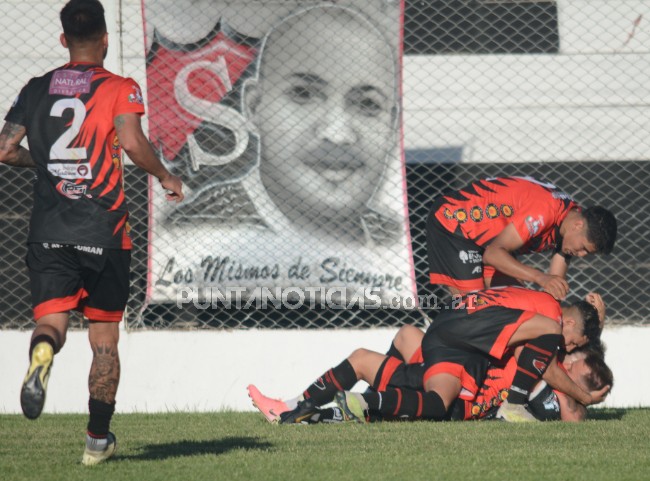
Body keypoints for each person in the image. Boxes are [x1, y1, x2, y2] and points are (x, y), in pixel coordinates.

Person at [0, 0, 184, 466]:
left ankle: (42, 351)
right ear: (105, 39)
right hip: (102, 230)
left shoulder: (36, 88)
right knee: (104, 342)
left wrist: (44, 162)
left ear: (64, 40)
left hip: (48, 231)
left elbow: (4, 150)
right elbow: (133, 142)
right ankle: (97, 441)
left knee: (51, 322)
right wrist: (164, 176)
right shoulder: (120, 88)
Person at [167, 4, 402, 246]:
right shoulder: (199, 230)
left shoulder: (392, 237)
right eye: (303, 93)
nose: (337, 134)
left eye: (367, 104)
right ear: (255, 107)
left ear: (392, 126)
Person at [249, 287, 606, 423]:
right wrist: (584, 396)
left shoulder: (537, 309)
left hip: (451, 324)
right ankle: (370, 405)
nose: (568, 347)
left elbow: (555, 364)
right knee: (440, 403)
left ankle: (291, 407)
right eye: (574, 340)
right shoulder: (550, 321)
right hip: (467, 340)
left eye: (573, 347)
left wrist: (594, 325)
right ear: (570, 319)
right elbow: (551, 369)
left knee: (398, 341)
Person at [426, 176, 617, 299]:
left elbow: (552, 289)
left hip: (489, 243)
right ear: (578, 225)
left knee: (516, 305)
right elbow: (493, 255)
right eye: (583, 248)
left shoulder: (568, 224)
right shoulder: (545, 211)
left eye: (587, 253)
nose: (581, 255)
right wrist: (539, 277)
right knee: (474, 311)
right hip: (455, 225)